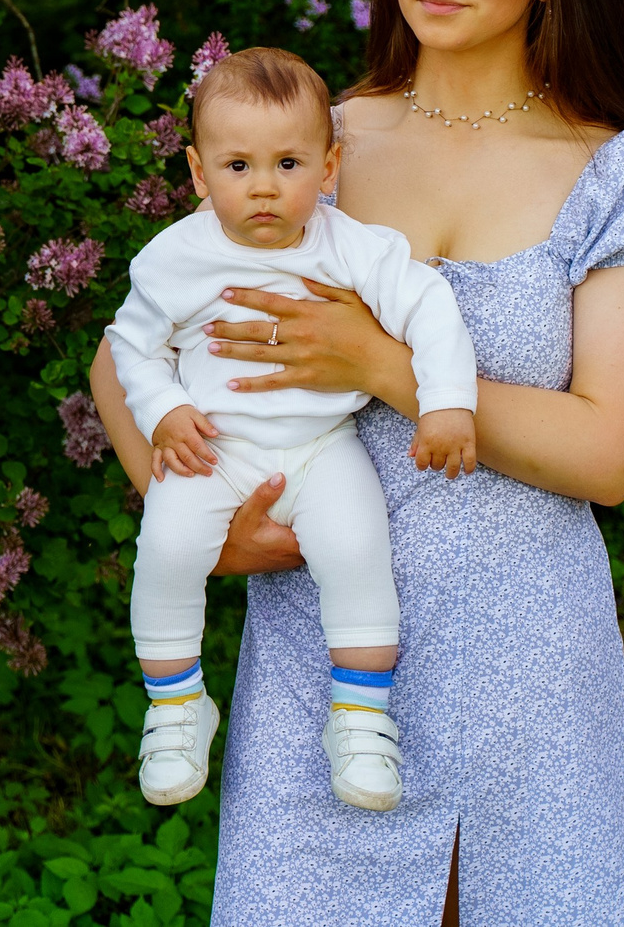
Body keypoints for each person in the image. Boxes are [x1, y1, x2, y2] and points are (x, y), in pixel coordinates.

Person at [88, 0, 624, 925]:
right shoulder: (320, 144)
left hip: (526, 652)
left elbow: (610, 455)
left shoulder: (619, 169)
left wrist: (378, 362)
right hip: (322, 644)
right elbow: (126, 343)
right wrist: (184, 506)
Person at [108, 46, 478, 812]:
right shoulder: (174, 255)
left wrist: (446, 402)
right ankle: (176, 704)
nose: (266, 187)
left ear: (329, 165)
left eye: (289, 162)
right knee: (169, 544)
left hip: (322, 446)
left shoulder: (348, 243)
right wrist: (164, 412)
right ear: (199, 173)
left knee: (355, 547)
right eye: (238, 166)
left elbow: (429, 305)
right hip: (215, 445)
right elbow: (130, 346)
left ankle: (362, 719)